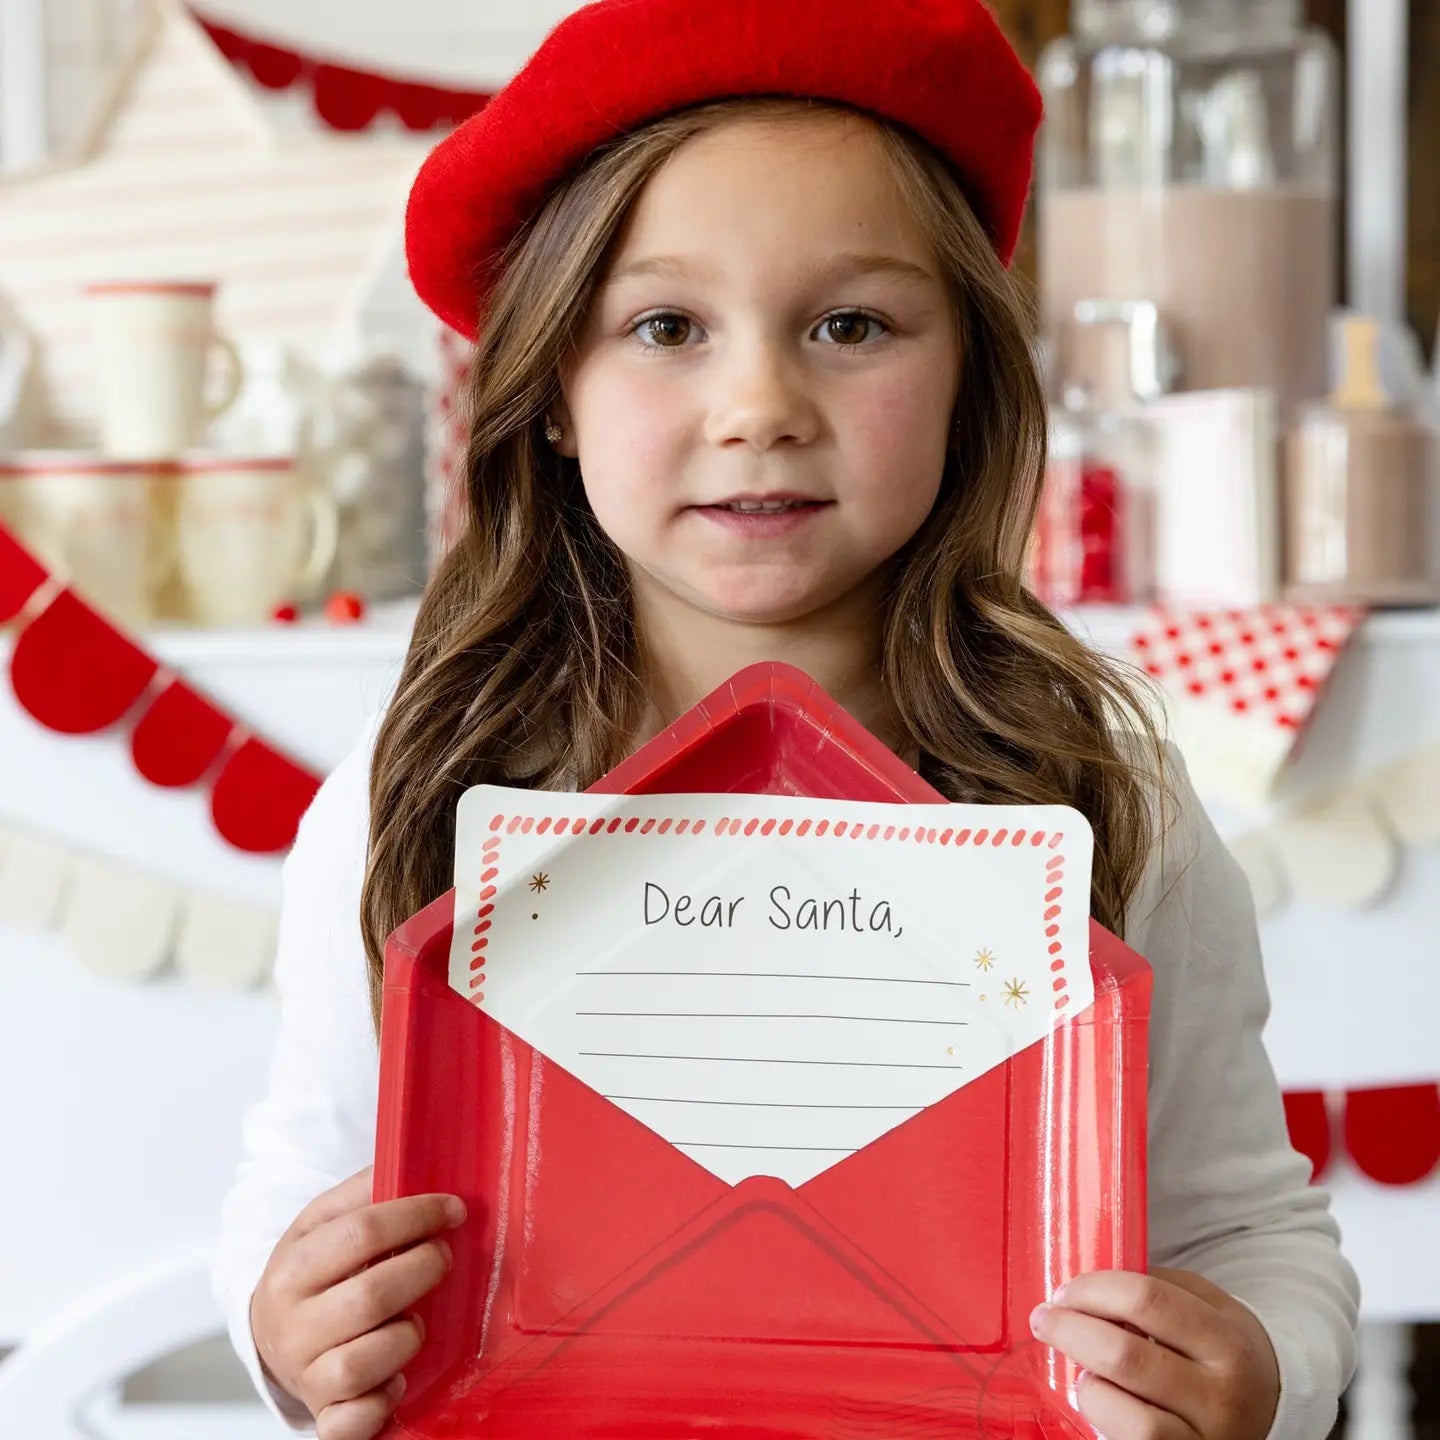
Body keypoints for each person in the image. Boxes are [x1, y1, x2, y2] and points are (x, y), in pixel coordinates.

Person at [214, 2, 1359, 1438]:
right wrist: (283, 1319)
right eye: (665, 327)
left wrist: (1255, 1366)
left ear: (967, 376)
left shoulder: (1098, 804)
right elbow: (297, 1182)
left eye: (850, 324)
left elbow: (1255, 1236)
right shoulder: (415, 801)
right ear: (555, 393)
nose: (760, 403)